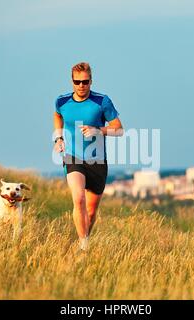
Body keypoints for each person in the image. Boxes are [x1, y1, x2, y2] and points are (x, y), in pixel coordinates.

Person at [53, 62, 123, 251]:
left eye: (85, 82)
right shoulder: (62, 101)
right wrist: (58, 138)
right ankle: (83, 247)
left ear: (91, 81)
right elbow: (57, 115)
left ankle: (84, 240)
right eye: (77, 82)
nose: (81, 86)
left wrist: (97, 130)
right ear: (72, 81)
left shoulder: (102, 101)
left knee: (91, 213)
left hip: (97, 161)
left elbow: (119, 130)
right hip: (73, 157)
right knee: (79, 199)